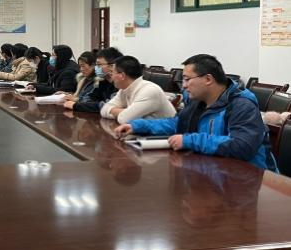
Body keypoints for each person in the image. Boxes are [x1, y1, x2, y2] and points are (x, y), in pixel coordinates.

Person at [114, 54, 277, 171]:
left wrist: (190, 140)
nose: (183, 85)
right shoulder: (197, 100)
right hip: (213, 170)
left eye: (187, 79)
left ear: (208, 79)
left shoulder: (241, 105)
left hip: (250, 178)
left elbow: (242, 146)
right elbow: (178, 124)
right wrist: (137, 125)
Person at [100, 55, 175, 123]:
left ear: (122, 76)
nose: (111, 76)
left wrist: (118, 112)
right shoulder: (124, 89)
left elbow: (124, 119)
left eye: (112, 72)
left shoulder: (149, 91)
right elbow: (104, 110)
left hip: (164, 133)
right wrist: (126, 112)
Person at [63, 47, 121, 112]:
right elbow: (89, 99)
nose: (96, 68)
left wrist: (75, 105)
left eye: (99, 64)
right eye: (96, 65)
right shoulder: (103, 82)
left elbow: (106, 106)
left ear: (112, 66)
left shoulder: (120, 85)